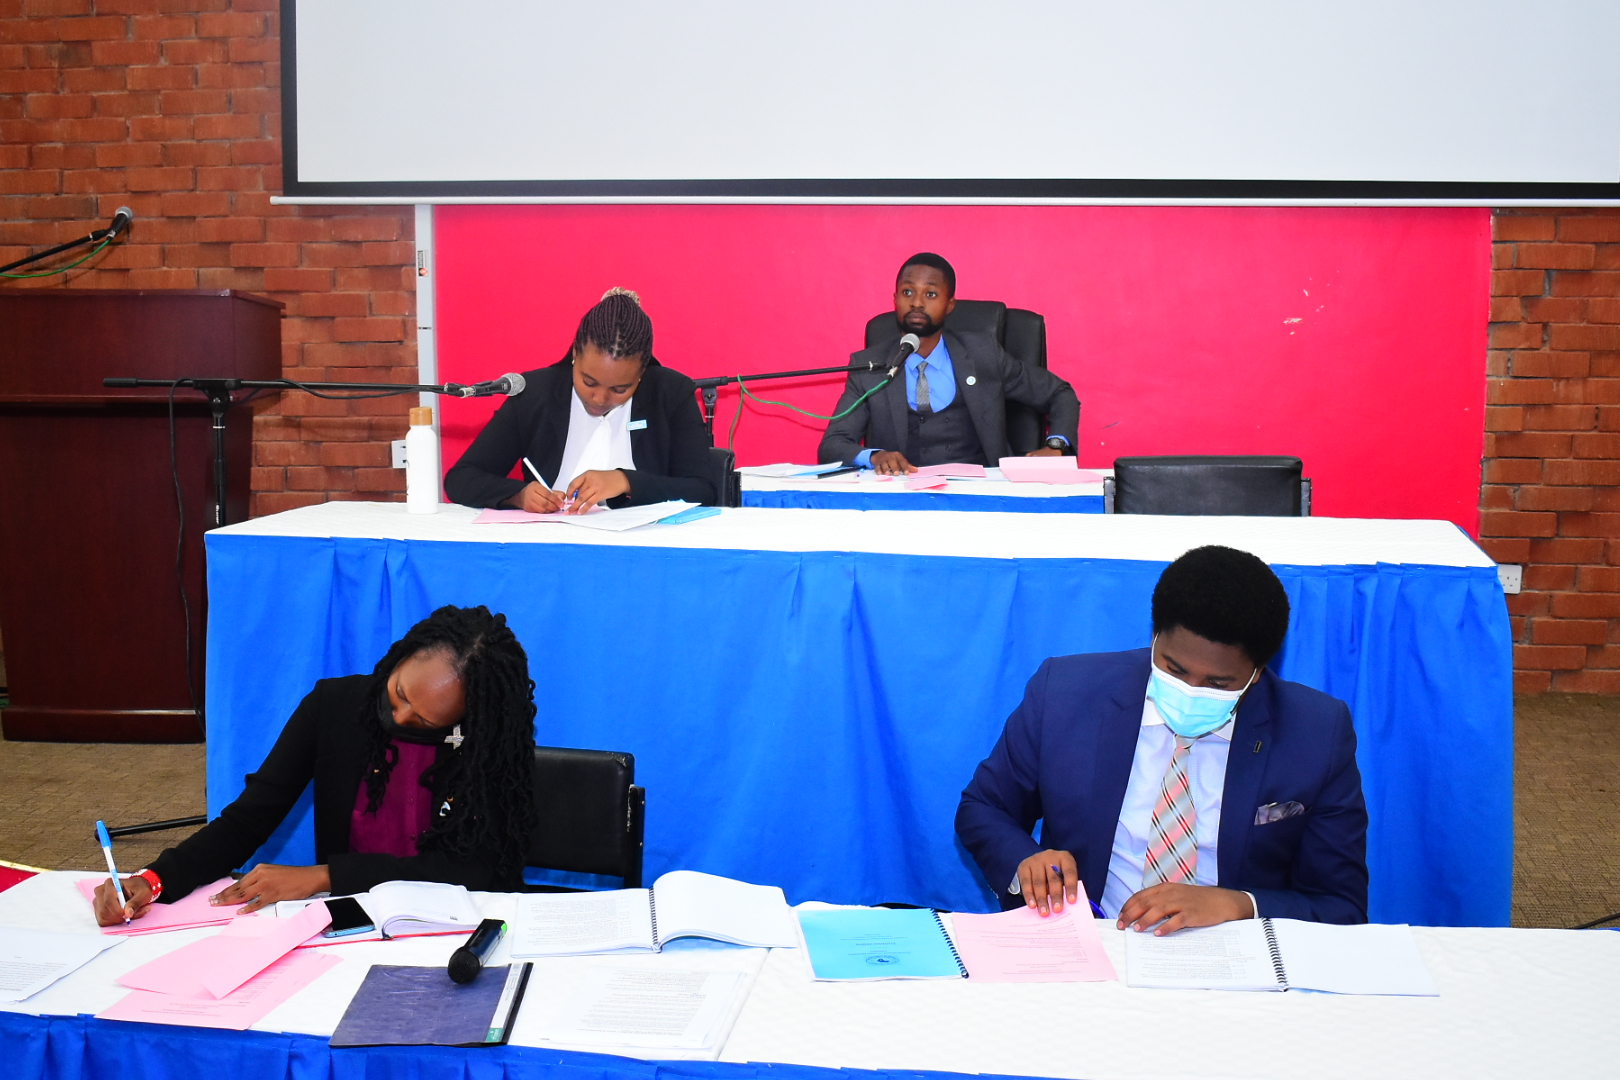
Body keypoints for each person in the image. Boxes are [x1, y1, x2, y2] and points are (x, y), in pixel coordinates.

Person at [955, 545, 1368, 935]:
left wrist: (1239, 904)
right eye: (1174, 669)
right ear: (1155, 637)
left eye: (1217, 684)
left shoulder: (1316, 732)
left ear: (1257, 673)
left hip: (1232, 953)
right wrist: (1026, 860)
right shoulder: (1065, 693)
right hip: (1093, 938)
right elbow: (985, 808)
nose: (1191, 690)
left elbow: (1341, 906)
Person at [93, 605, 539, 924]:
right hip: (350, 920)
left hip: (453, 923)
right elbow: (248, 820)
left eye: (424, 721)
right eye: (400, 693)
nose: (400, 717)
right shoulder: (334, 707)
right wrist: (155, 879)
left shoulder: (484, 747)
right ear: (402, 657)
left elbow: (474, 871)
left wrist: (324, 876)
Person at [443, 288, 715, 512]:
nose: (599, 398)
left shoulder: (670, 393)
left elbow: (703, 490)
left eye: (620, 389)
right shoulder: (535, 392)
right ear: (575, 354)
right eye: (589, 382)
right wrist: (518, 495)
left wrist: (626, 481)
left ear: (642, 372)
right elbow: (462, 478)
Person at [817, 253, 1080, 474]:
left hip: (981, 493)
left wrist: (1056, 445)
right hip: (903, 495)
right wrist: (874, 456)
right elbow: (833, 445)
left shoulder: (983, 354)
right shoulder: (869, 367)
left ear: (950, 304)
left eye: (931, 294)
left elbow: (1059, 393)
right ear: (895, 298)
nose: (917, 302)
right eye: (908, 292)